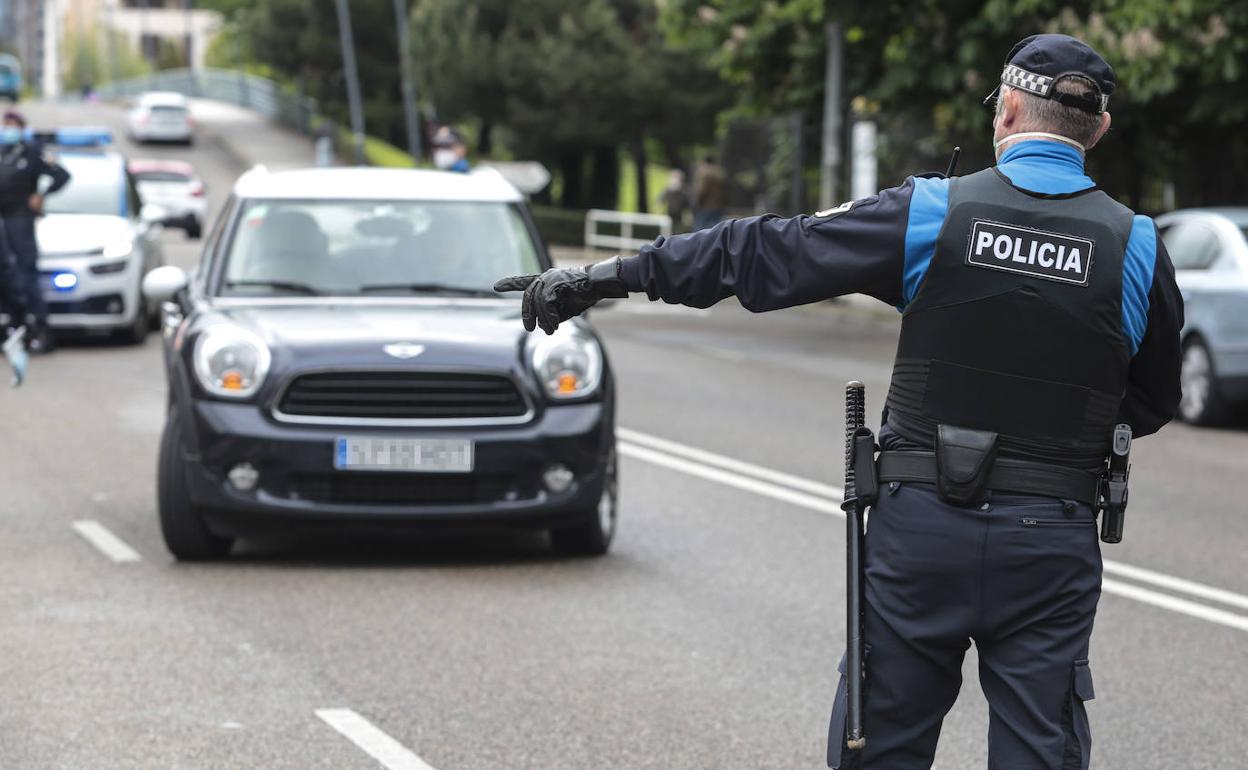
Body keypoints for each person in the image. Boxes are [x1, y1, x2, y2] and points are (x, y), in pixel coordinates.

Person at [496, 34, 1183, 770]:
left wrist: (608, 277)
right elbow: (1152, 398)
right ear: (1098, 130)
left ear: (1007, 111)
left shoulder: (931, 214)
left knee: (878, 746)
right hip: (1049, 540)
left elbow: (764, 251)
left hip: (921, 534)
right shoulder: (1136, 245)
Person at [0, 109, 70, 354]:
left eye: (13, 123)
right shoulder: (2, 151)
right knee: (5, 276)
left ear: (21, 127)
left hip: (21, 218)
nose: (8, 127)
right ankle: (12, 324)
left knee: (27, 273)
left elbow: (62, 176)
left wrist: (41, 195)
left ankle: (40, 328)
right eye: (5, 122)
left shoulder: (33, 151)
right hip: (3, 220)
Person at [691, 154, 727, 230]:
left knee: (700, 231)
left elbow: (701, 191)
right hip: (719, 206)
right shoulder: (721, 174)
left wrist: (696, 202)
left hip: (705, 206)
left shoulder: (705, 174)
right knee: (715, 229)